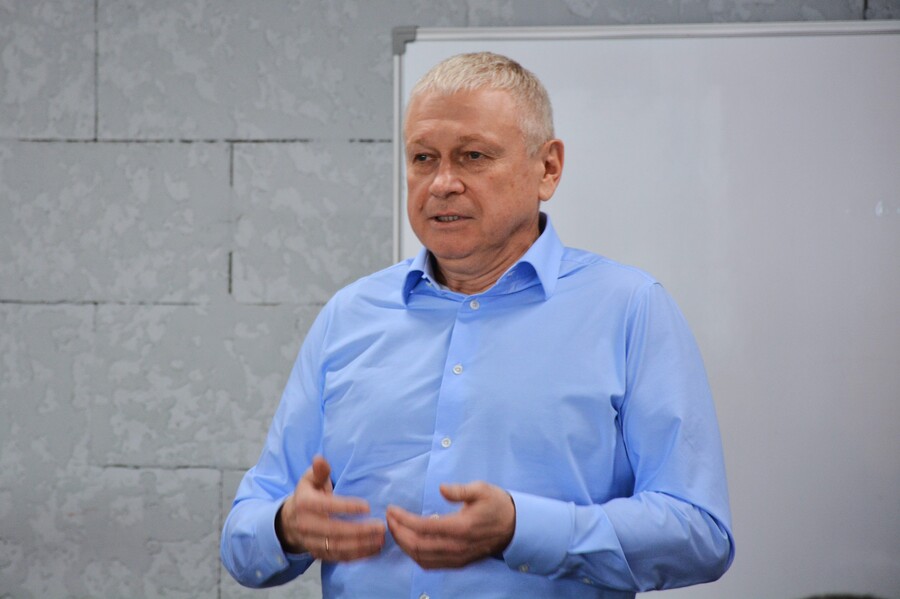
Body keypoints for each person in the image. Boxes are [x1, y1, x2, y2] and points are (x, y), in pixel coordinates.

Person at [221, 52, 734, 598]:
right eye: (423, 158)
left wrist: (521, 530)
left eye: (473, 156)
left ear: (548, 168)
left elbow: (699, 534)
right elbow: (243, 537)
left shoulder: (630, 309)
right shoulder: (349, 316)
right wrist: (287, 527)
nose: (442, 183)